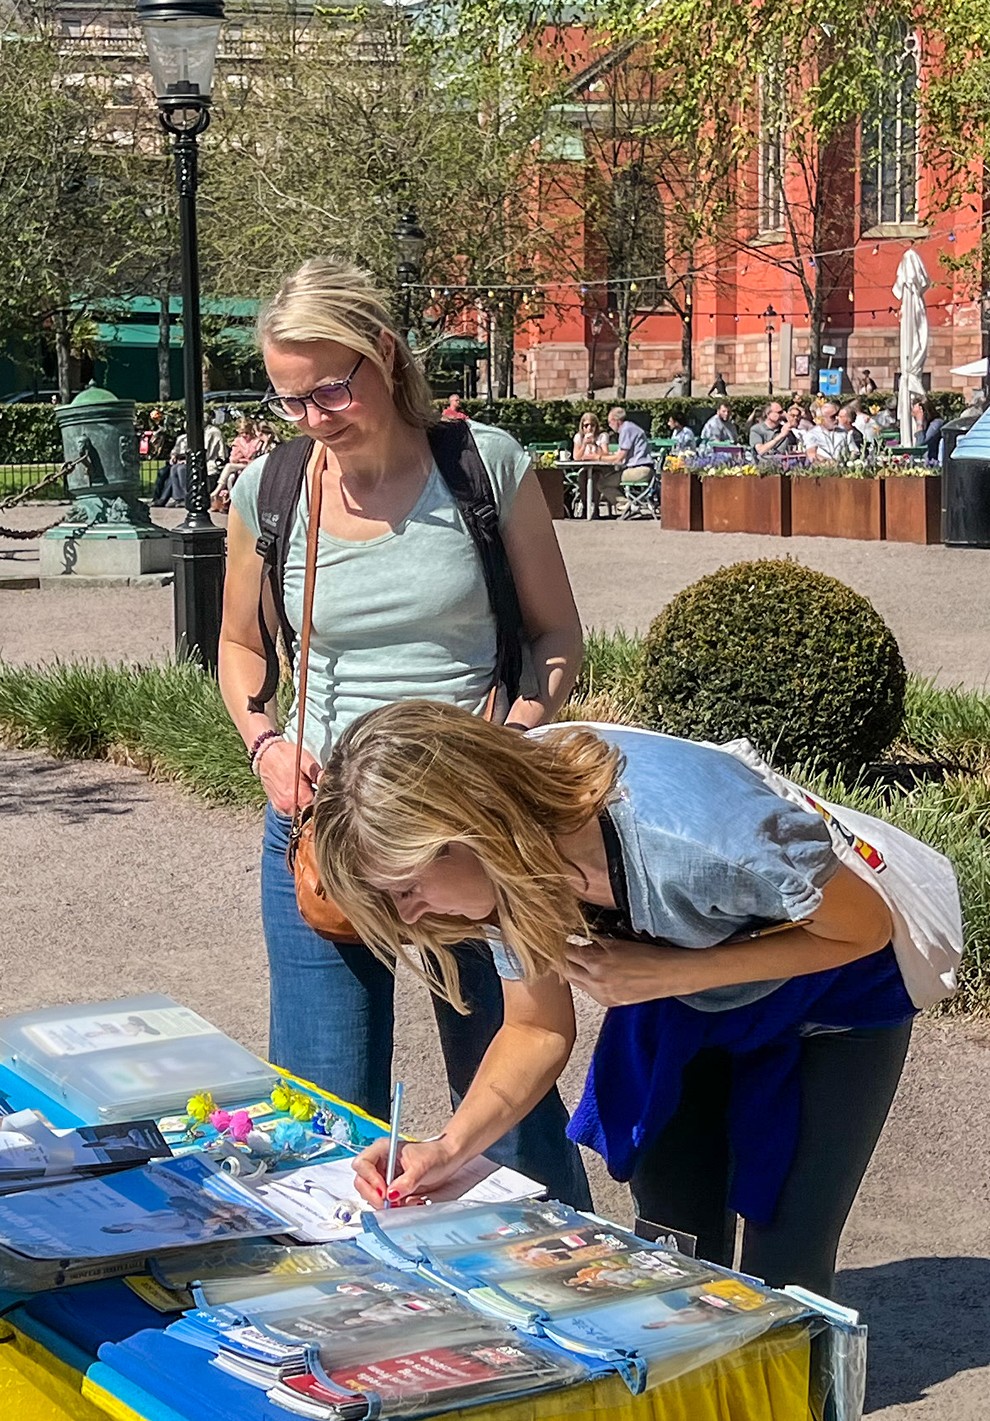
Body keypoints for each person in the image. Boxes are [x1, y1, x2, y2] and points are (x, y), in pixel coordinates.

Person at [313, 701, 928, 1297]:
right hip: (682, 1009)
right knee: (671, 1257)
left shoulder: (693, 840)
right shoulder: (507, 861)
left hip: (829, 1009)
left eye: (407, 887)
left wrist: (674, 973)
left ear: (464, 830)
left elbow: (864, 928)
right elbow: (535, 1029)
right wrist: (447, 1149)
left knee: (787, 1271)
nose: (410, 915)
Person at [216, 257, 590, 1208]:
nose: (314, 417)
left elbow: (556, 635)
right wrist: (265, 744)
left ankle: (565, 1278)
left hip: (464, 833)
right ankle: (340, 1291)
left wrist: (514, 738)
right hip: (325, 832)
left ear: (384, 353)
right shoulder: (272, 488)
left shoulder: (481, 467)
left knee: (507, 1101)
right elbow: (239, 644)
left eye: (331, 389)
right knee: (320, 1108)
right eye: (291, 398)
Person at [211, 417, 265, 512]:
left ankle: (217, 491)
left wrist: (242, 457)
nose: (244, 435)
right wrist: (239, 457)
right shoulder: (238, 441)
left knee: (229, 467)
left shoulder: (256, 441)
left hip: (251, 466)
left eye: (246, 433)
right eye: (241, 433)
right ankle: (232, 501)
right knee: (230, 478)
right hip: (240, 466)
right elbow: (233, 458)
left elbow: (252, 456)